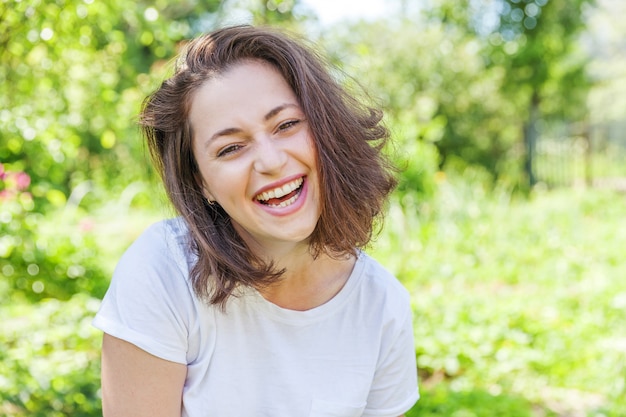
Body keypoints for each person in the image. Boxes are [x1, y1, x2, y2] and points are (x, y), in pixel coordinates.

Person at [93, 24, 419, 417]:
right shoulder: (163, 271)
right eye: (231, 148)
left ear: (326, 130)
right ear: (202, 182)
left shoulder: (382, 305)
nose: (271, 161)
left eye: (286, 125)